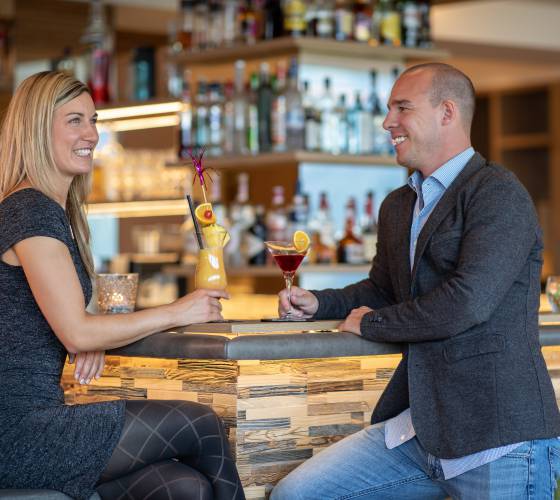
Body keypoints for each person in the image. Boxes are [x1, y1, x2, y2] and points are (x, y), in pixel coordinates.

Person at [271, 63, 560, 499]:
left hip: (498, 433)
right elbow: (383, 290)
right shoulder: (399, 204)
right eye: (389, 109)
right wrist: (320, 302)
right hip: (420, 429)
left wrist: (371, 324)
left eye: (402, 108)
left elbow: (468, 302)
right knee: (299, 493)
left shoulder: (497, 192)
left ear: (447, 112)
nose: (388, 122)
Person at [0, 71, 245, 500]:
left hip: (38, 422)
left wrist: (90, 330)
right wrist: (180, 310)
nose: (91, 135)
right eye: (74, 120)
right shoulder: (29, 211)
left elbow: (67, 319)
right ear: (38, 128)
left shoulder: (45, 212)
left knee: (183, 487)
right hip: (19, 431)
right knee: (201, 425)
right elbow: (74, 330)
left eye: (93, 120)